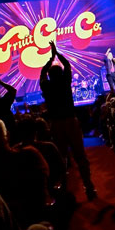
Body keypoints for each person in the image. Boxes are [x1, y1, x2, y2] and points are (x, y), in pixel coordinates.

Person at [40, 40, 97, 200]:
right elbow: (67, 65)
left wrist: (50, 58)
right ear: (61, 74)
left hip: (56, 124)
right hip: (71, 121)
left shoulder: (47, 86)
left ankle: (64, 189)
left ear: (50, 76)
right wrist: (56, 52)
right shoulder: (65, 82)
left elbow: (43, 73)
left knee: (61, 157)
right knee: (80, 156)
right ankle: (89, 187)